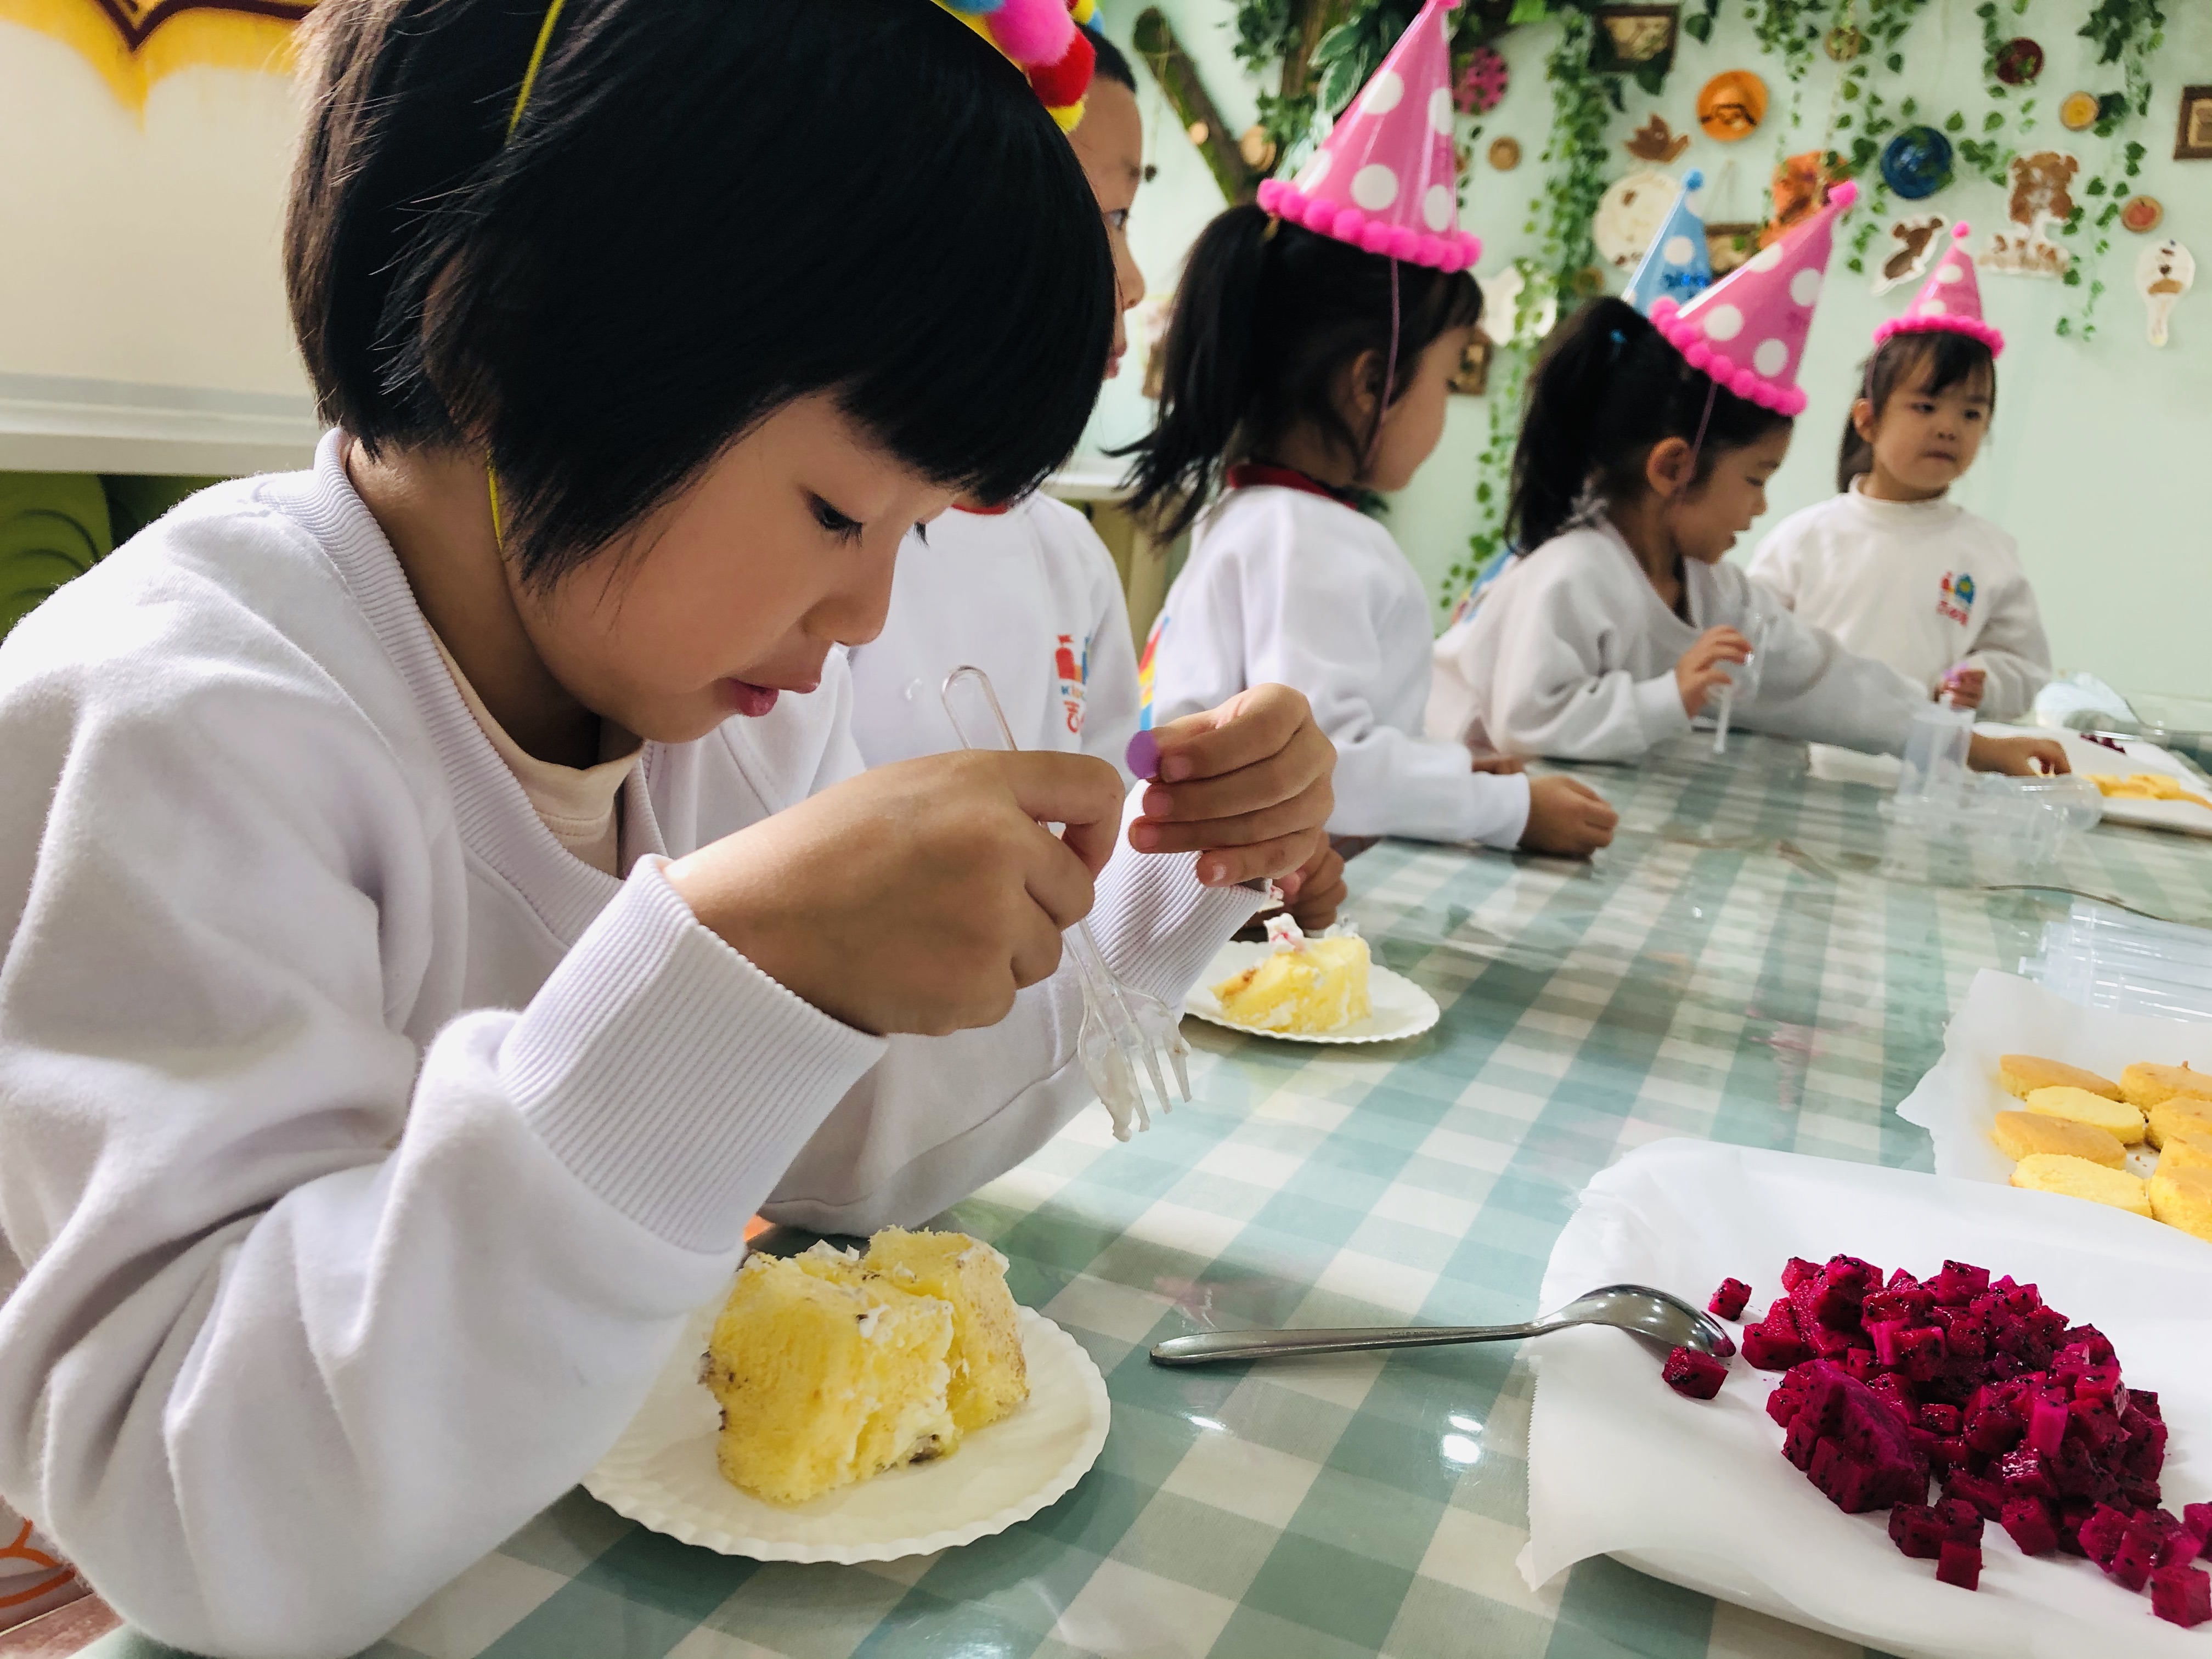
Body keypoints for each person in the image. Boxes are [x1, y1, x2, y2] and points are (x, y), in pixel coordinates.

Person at [0, 4, 1340, 1655]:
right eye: (839, 511)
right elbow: (210, 1522)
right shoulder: (185, 722)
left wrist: (1173, 868)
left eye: (917, 535)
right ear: (504, 335)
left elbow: (851, 1149)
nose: (865, 615)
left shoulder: (699, 703)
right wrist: (728, 967)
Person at [845, 32, 1345, 929]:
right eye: (1102, 218)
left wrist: (1235, 853)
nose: (1134, 279)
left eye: (1125, 220)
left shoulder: (1069, 556)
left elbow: (1099, 873)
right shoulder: (819, 567)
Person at [1124, 0, 1618, 861]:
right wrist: (1508, 809)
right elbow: (1330, 769)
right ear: (1371, 385)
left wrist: (1449, 768)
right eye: (1448, 376)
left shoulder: (1259, 517)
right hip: (1242, 902)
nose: (1444, 408)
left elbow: (1334, 746)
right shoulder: (1308, 540)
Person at [1429, 185, 2064, 780]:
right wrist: (1670, 696)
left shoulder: (1715, 592)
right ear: (1673, 469)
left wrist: (1964, 744)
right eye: (1757, 478)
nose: (1761, 508)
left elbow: (1825, 680)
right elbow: (1527, 724)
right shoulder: (1571, 573)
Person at [1746, 224, 2051, 721]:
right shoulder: (1805, 538)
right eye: (1926, 406)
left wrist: (1985, 682)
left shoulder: (1988, 552)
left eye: (1971, 413)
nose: (1949, 428)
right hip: (1800, 755)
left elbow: (2025, 666)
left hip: (1921, 761)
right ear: (1868, 420)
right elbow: (1749, 639)